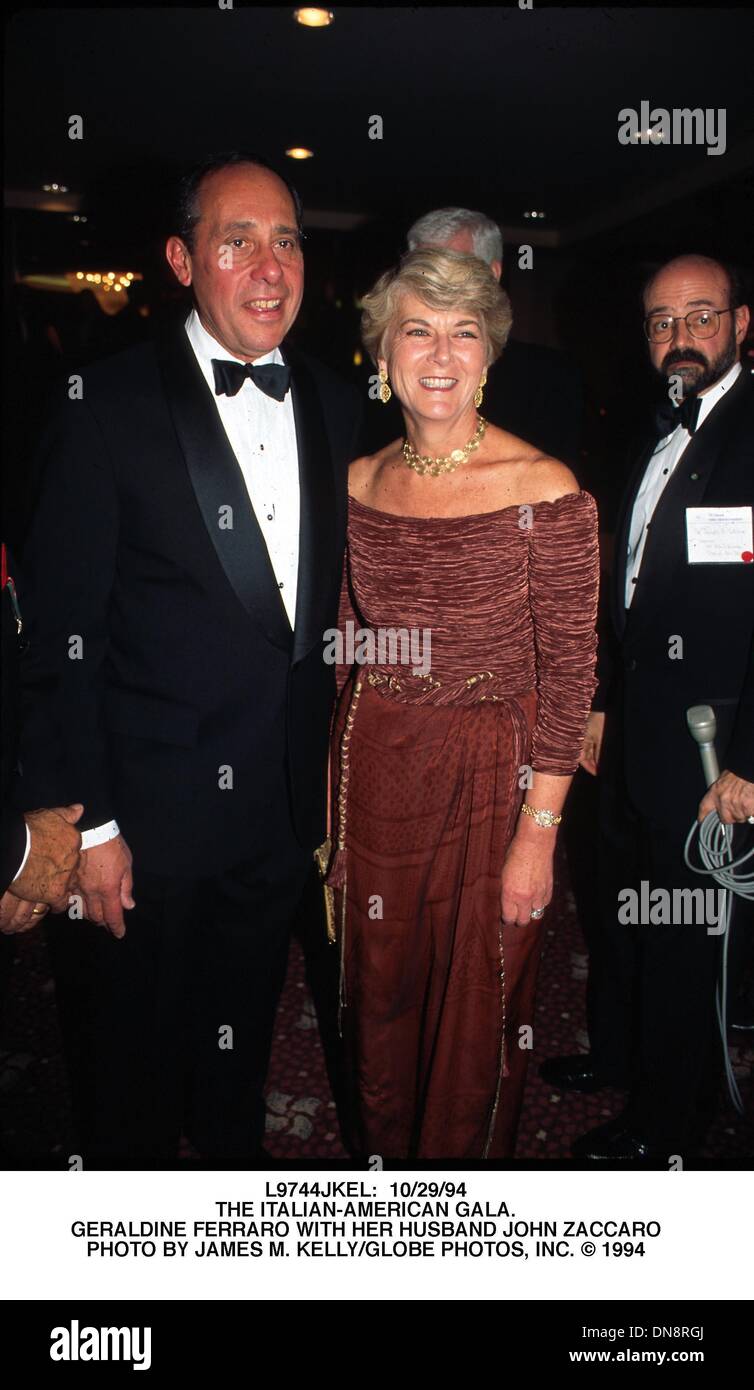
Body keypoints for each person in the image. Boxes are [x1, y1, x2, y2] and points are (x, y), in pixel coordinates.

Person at [14, 152, 362, 1168]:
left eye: (287, 239)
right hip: (145, 825)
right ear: (181, 259)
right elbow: (58, 634)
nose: (269, 266)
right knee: (129, 1066)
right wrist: (88, 822)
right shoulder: (102, 404)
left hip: (277, 818)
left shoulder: (337, 408)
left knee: (238, 1051)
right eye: (237, 239)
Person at [326, 248, 599, 1160]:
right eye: (417, 330)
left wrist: (540, 834)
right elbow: (348, 648)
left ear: (489, 356)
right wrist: (334, 795)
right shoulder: (360, 482)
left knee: (478, 1013)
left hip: (494, 786)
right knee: (380, 995)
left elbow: (569, 676)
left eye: (464, 333)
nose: (439, 355)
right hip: (380, 779)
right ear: (382, 351)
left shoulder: (544, 487)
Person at [542, 253, 754, 1161]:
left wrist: (753, 760)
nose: (680, 339)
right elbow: (626, 588)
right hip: (635, 731)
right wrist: (598, 701)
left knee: (684, 948)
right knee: (625, 911)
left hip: (716, 753)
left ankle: (668, 1126)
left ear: (742, 325)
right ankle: (621, 1060)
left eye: (700, 318)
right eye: (662, 322)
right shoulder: (651, 430)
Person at [359, 208, 583, 466]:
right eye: (421, 270)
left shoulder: (550, 382)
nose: (436, 286)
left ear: (494, 274)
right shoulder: (359, 462)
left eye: (457, 268)